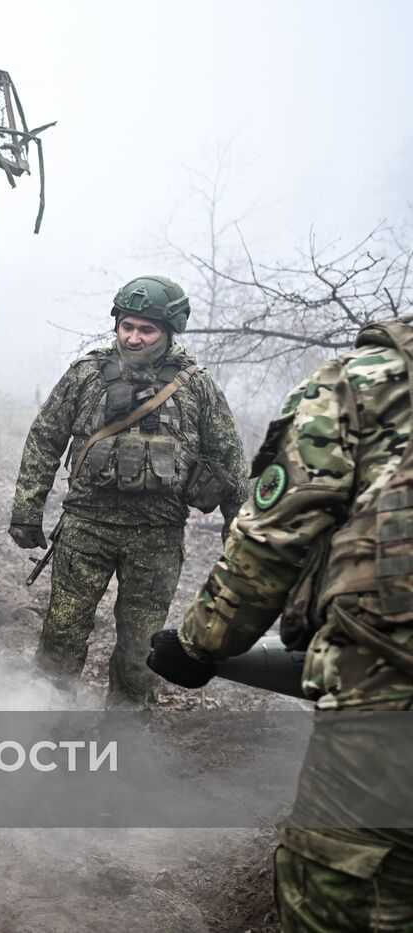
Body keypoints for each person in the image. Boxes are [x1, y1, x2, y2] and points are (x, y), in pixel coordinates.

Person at [148, 319, 413, 931]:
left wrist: (198, 646)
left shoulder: (368, 384)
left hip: (388, 699)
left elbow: (271, 541)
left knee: (340, 890)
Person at [8, 275, 247, 707]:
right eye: (127, 326)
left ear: (169, 331)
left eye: (146, 330)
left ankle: (125, 744)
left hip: (157, 537)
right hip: (86, 529)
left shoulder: (197, 386)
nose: (133, 338)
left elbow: (230, 457)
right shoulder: (86, 374)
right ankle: (45, 724)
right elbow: (45, 438)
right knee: (61, 634)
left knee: (140, 649)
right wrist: (27, 509)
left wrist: (241, 534)